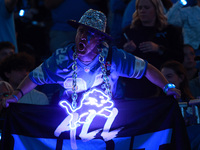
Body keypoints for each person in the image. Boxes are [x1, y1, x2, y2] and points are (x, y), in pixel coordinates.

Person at [1, 9, 180, 109]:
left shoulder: (114, 57)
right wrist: (15, 96)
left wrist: (168, 87)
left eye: (91, 34)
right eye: (81, 31)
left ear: (100, 40)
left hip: (108, 118)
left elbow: (146, 69)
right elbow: (34, 77)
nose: (84, 37)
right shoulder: (61, 59)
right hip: (70, 120)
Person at [119, 0, 184, 99]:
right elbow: (116, 56)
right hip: (135, 86)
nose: (142, 11)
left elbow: (180, 57)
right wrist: (125, 50)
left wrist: (159, 49)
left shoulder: (170, 31)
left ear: (156, 9)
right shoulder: (129, 31)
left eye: (146, 8)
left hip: (162, 83)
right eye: (140, 8)